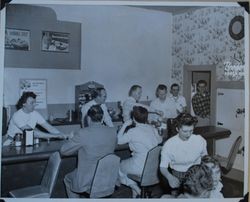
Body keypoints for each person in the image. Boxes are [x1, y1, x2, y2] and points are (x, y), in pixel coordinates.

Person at [61, 105, 117, 198]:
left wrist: (71, 139)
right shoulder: (113, 131)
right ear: (103, 118)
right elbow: (113, 148)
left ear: (88, 119)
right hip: (108, 178)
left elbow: (63, 151)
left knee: (68, 179)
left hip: (89, 179)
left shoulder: (83, 133)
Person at [117, 106, 162, 198]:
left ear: (133, 118)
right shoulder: (152, 129)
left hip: (140, 167)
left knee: (118, 166)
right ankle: (135, 192)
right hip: (154, 168)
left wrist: (125, 125)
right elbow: (160, 140)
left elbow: (118, 141)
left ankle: (136, 188)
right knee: (128, 164)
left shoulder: (133, 131)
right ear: (146, 117)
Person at [160, 113, 207, 193]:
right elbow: (163, 167)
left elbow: (205, 158)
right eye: (185, 131)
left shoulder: (199, 140)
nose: (188, 134)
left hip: (196, 173)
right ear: (177, 129)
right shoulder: (169, 144)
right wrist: (170, 177)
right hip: (178, 175)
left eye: (191, 130)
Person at [3, 91, 68, 146]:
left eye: (35, 102)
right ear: (24, 104)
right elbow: (32, 133)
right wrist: (55, 136)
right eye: (31, 103)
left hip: (26, 142)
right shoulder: (17, 116)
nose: (34, 105)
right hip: (12, 143)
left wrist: (62, 135)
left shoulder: (35, 114)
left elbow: (49, 127)